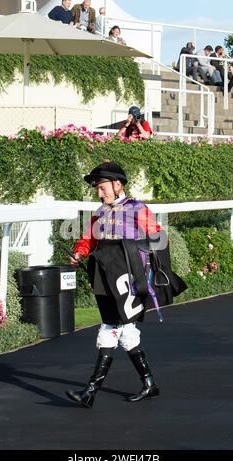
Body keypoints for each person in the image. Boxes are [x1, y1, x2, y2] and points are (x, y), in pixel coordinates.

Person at [65, 161, 187, 408]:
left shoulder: (137, 209)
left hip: (127, 279)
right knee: (126, 332)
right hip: (104, 276)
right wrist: (79, 254)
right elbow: (88, 239)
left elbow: (159, 238)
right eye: (98, 189)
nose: (99, 193)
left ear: (117, 184)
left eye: (102, 187)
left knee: (111, 327)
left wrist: (150, 270)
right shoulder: (99, 212)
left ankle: (90, 391)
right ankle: (149, 384)